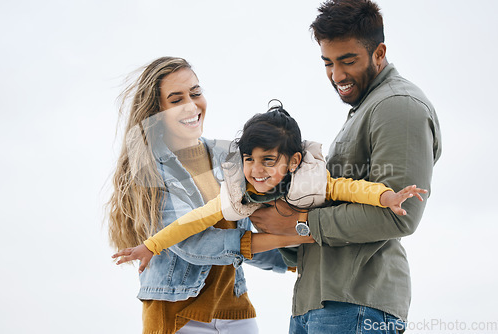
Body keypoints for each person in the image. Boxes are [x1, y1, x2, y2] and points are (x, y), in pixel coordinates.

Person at [249, 1, 442, 333]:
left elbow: (401, 212)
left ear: (379, 53)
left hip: (356, 307)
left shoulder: (397, 107)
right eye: (328, 62)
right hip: (318, 303)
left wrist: (298, 223)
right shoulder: (365, 109)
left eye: (347, 61)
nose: (337, 75)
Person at [107, 57, 304, 334]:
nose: (191, 105)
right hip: (177, 314)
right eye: (176, 100)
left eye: (195, 93)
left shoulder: (229, 157)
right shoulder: (150, 169)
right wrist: (299, 236)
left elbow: (244, 240)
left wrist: (297, 256)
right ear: (157, 111)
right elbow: (193, 243)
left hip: (234, 308)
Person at [113, 103, 427, 273]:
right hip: (290, 250)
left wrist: (387, 196)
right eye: (250, 159)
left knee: (324, 201)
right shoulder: (240, 192)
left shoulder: (308, 180)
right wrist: (151, 246)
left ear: (293, 162)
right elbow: (192, 221)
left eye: (269, 160)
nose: (257, 170)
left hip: (327, 235)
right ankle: (290, 262)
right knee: (225, 219)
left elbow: (349, 188)